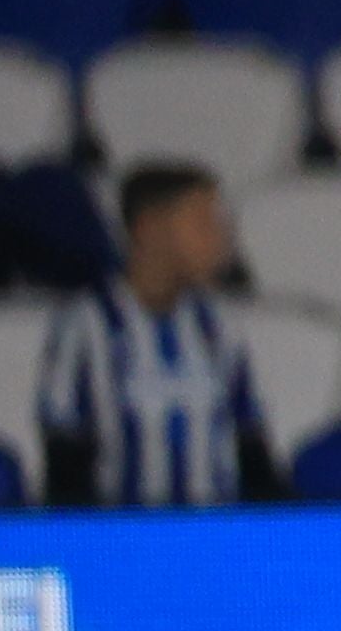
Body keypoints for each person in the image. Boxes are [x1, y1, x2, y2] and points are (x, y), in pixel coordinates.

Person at [33, 163, 282, 508]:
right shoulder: (87, 326)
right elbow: (65, 462)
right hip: (121, 546)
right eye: (202, 223)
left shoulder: (220, 326)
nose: (219, 238)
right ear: (149, 228)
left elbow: (252, 448)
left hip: (217, 543)